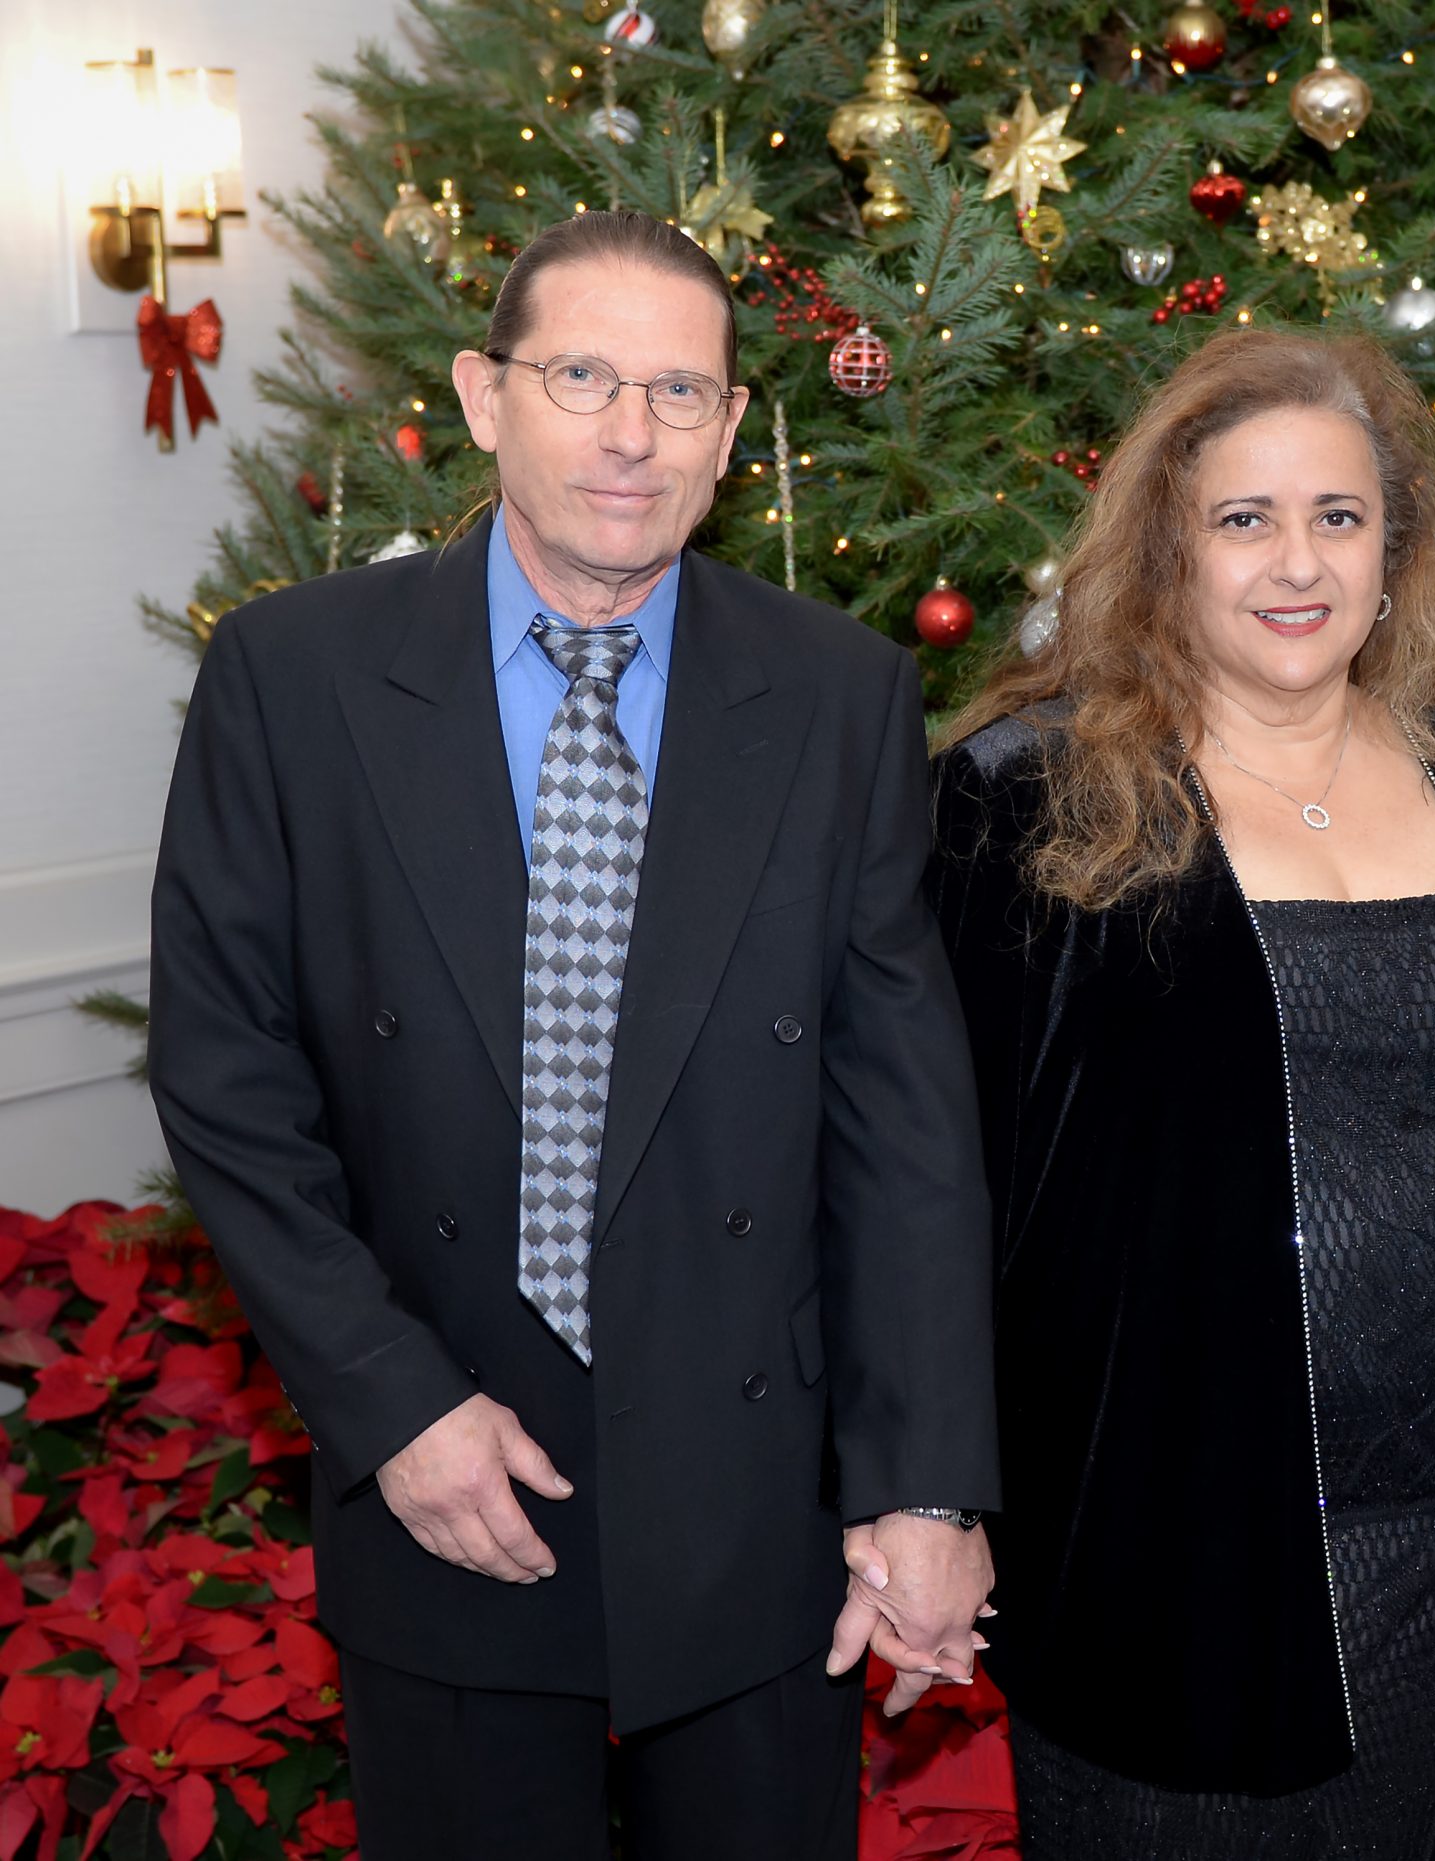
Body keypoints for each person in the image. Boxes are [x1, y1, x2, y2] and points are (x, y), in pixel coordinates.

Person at [147, 210, 1000, 1861]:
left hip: (756, 1498)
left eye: (681, 393)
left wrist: (926, 1486)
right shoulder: (293, 675)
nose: (632, 434)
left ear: (732, 433)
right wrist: (394, 1405)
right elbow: (227, 1077)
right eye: (584, 377)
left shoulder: (839, 695)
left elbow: (903, 1124)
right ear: (485, 396)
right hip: (446, 1467)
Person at [929, 325, 1435, 1858]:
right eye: (1244, 519)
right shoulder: (1034, 801)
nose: (1296, 562)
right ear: (1167, 551)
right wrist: (929, 1495)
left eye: (1339, 516)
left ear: (1396, 549)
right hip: (1170, 1559)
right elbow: (933, 1185)